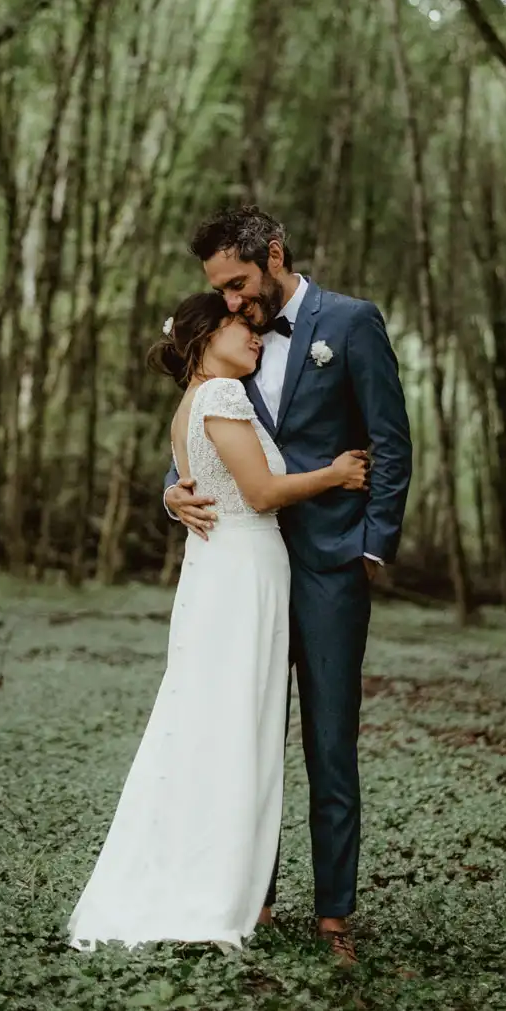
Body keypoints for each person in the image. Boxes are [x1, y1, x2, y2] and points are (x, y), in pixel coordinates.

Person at [67, 292, 368, 952]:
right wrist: (337, 473)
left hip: (220, 569)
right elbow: (260, 493)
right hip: (241, 571)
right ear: (206, 335)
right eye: (243, 326)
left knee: (213, 722)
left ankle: (220, 872)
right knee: (235, 725)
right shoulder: (224, 397)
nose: (256, 337)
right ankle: (219, 885)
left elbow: (197, 477)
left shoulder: (190, 404)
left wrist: (175, 497)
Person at [165, 207, 412, 965]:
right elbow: (204, 435)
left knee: (331, 745)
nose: (234, 302)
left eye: (239, 282)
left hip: (332, 572)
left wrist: (371, 548)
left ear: (273, 255)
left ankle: (335, 913)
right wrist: (170, 492)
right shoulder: (227, 352)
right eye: (221, 290)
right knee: (251, 738)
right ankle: (256, 898)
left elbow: (390, 440)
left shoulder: (352, 322)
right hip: (250, 579)